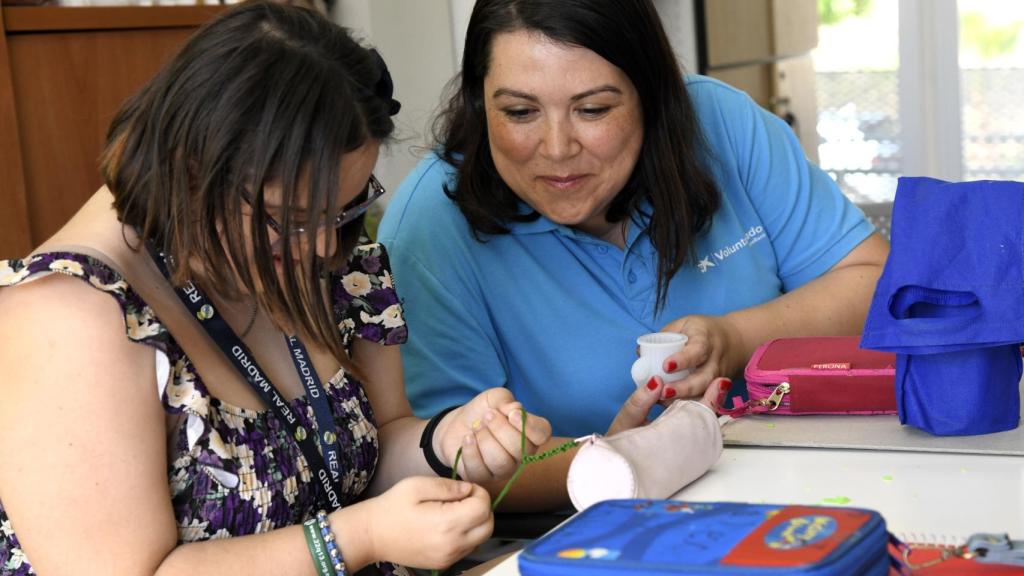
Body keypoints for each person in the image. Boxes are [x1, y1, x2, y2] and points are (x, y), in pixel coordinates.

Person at [0, 3, 552, 575]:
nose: (318, 249)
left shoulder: (330, 250)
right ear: (193, 171)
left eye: (343, 209)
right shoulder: (67, 320)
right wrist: (358, 536)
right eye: (289, 218)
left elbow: (371, 447)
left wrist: (446, 441)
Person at [377, 0, 889, 510]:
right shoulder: (429, 227)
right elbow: (444, 465)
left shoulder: (723, 124)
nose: (557, 148)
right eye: (519, 112)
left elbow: (876, 282)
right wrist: (629, 463)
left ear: (652, 95)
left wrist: (735, 339)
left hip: (810, 474)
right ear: (478, 104)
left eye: (593, 109)